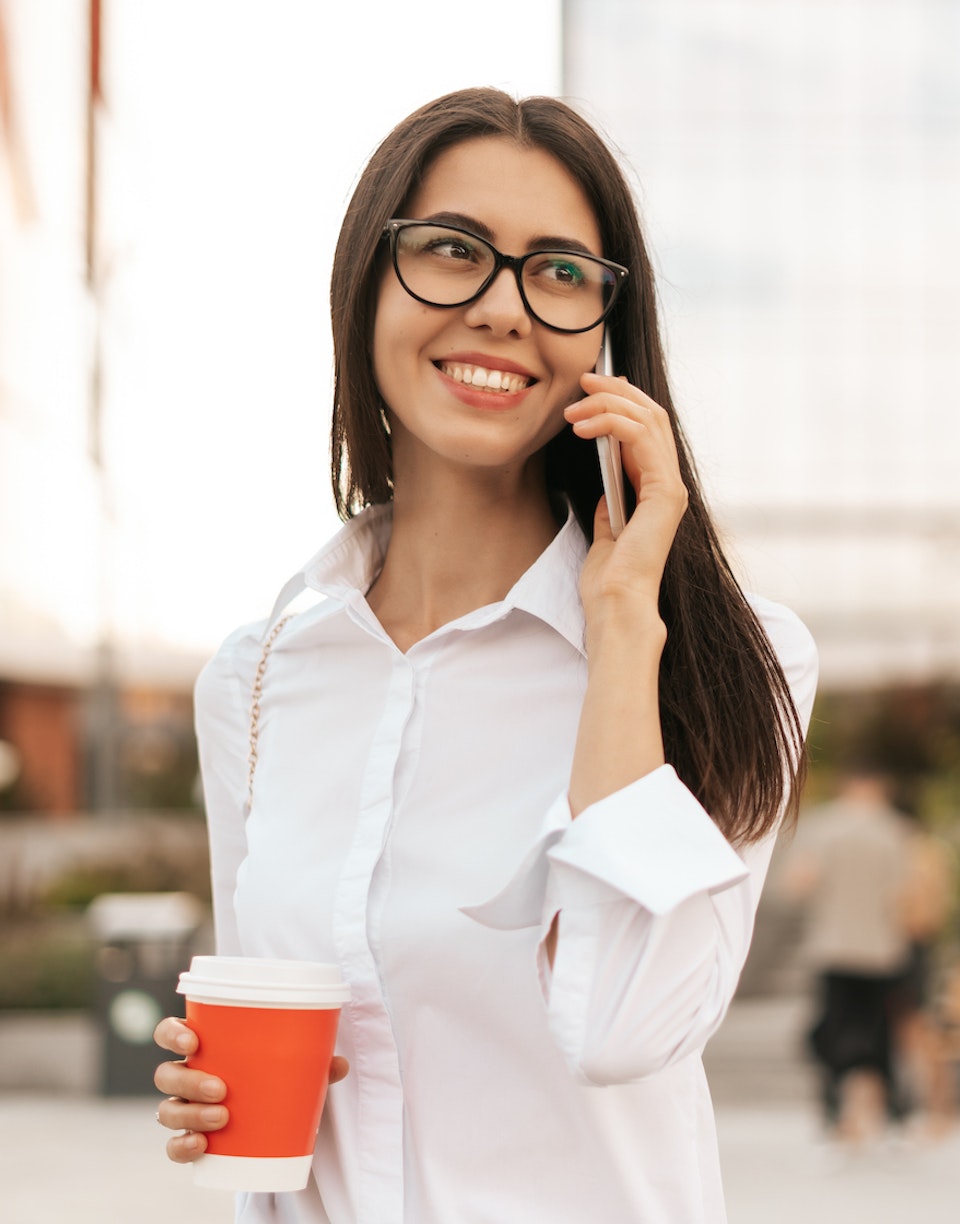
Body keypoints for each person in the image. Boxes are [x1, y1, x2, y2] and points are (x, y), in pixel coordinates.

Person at [153, 87, 818, 1223]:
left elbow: (621, 1029)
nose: (504, 308)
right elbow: (275, 1067)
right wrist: (216, 1094)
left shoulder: (725, 661)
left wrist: (621, 632)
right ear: (367, 285)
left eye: (560, 271)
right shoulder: (256, 681)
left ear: (607, 338)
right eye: (453, 251)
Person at [783, 765, 915, 1143]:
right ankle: (891, 1119)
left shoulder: (822, 828)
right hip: (882, 950)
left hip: (833, 948)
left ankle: (834, 1115)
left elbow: (798, 884)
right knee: (881, 1034)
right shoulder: (896, 829)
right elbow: (906, 895)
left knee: (831, 1031)